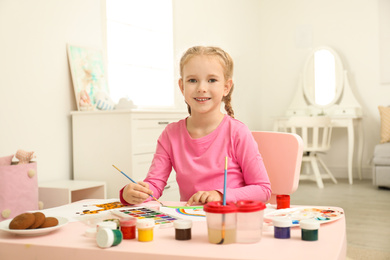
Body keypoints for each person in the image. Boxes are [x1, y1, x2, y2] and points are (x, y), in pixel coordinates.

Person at [120, 46, 271, 206]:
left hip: (230, 220)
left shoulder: (238, 132)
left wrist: (221, 195)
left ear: (226, 87)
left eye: (212, 80)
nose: (201, 88)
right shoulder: (170, 134)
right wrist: (131, 194)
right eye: (192, 80)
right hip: (190, 220)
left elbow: (263, 189)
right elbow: (154, 186)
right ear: (182, 86)